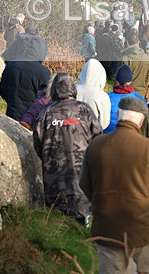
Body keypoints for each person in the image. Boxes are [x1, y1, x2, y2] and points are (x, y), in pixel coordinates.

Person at [80, 97, 149, 274]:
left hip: (107, 225)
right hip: (143, 225)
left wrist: (100, 202)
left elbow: (84, 183)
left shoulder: (95, 146)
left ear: (117, 115)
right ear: (141, 120)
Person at [34, 73, 102, 223]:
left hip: (53, 174)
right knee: (81, 212)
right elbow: (98, 138)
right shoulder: (84, 110)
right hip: (81, 173)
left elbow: (37, 141)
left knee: (56, 216)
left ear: (53, 90)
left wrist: (47, 157)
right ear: (73, 89)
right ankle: (83, 237)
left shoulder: (46, 112)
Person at [0, 29, 52, 121]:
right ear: (41, 51)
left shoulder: (11, 65)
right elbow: (46, 99)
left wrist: (13, 102)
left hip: (11, 114)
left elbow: (2, 90)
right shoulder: (43, 72)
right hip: (31, 119)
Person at [105, 64, 147, 133]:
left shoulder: (107, 97)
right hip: (131, 137)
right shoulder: (140, 99)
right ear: (130, 81)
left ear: (117, 80)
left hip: (108, 137)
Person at [76, 59, 112, 131]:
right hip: (92, 135)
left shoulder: (73, 89)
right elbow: (104, 123)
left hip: (72, 133)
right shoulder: (102, 96)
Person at [121, 30, 149, 97]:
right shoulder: (147, 58)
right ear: (138, 42)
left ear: (127, 43)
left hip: (126, 93)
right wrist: (143, 87)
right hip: (141, 93)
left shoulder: (124, 58)